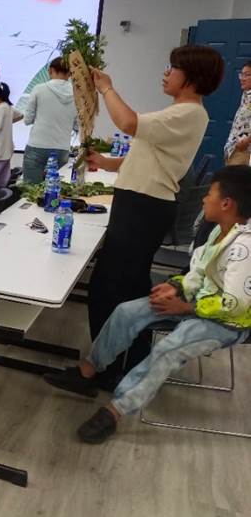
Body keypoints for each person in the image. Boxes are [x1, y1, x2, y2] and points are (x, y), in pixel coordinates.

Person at [44, 166, 251, 443]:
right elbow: (199, 271)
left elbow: (235, 304)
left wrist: (187, 308)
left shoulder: (244, 248)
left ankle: (115, 410)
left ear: (226, 204)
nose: (204, 199)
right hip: (200, 302)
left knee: (169, 348)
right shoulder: (219, 232)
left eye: (210, 194)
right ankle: (87, 371)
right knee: (126, 311)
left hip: (228, 322)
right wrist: (178, 286)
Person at [84, 45, 224, 390]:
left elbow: (128, 123)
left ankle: (105, 368)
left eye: (172, 68)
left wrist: (106, 87)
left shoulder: (189, 113)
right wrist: (107, 163)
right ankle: (126, 360)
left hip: (144, 206)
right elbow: (148, 153)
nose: (166, 73)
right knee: (127, 286)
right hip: (140, 203)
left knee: (109, 287)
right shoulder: (179, 111)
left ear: (191, 76)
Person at [22, 57, 78, 183]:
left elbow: (27, 120)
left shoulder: (39, 89)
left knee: (30, 188)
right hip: (62, 147)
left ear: (51, 70)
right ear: (70, 73)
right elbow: (77, 125)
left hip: (37, 145)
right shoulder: (76, 94)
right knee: (54, 188)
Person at [224, 61, 251, 166]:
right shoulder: (246, 95)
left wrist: (247, 141)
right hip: (233, 148)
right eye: (241, 74)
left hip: (245, 150)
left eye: (247, 75)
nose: (242, 78)